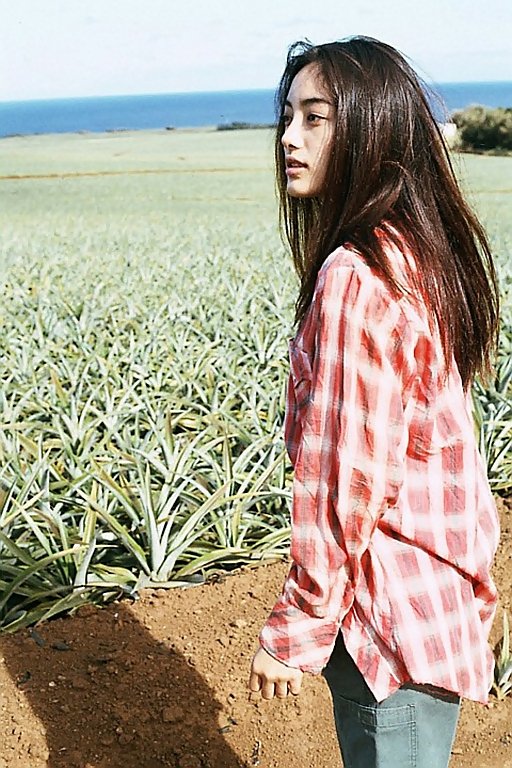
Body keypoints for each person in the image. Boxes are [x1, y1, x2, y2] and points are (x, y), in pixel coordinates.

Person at [248, 36, 500, 768]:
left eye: (315, 118)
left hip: (387, 625)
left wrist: (297, 626)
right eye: (287, 116)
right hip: (432, 605)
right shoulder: (416, 254)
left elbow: (346, 478)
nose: (289, 138)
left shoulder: (355, 276)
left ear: (370, 129)